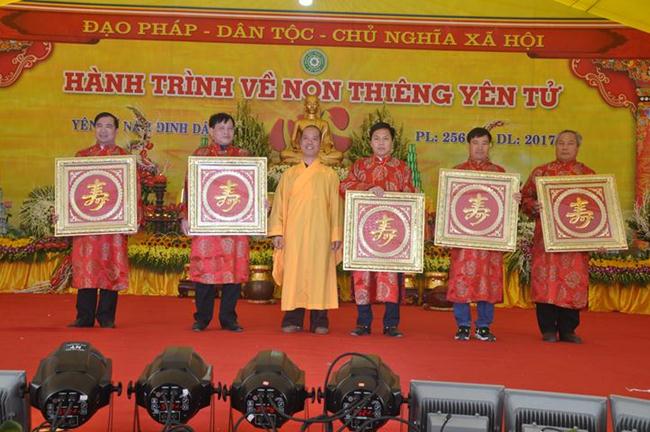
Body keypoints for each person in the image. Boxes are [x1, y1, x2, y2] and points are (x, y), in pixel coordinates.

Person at [339, 121, 415, 337]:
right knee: (362, 276)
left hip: (392, 234)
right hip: (364, 233)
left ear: (392, 142)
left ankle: (391, 324)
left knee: (392, 276)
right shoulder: (360, 166)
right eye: (377, 139)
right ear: (370, 142)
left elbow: (411, 195)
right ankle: (363, 322)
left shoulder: (402, 168)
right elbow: (344, 186)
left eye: (386, 139)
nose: (381, 143)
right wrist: (368, 188)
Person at [521, 129, 594, 344]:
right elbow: (525, 197)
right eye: (561, 143)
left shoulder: (588, 175)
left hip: (574, 239)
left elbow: (597, 207)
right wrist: (532, 206)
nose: (564, 147)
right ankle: (547, 329)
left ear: (577, 147)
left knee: (573, 282)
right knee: (545, 281)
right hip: (546, 238)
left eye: (570, 143)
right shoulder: (541, 172)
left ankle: (568, 329)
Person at [447, 127, 519, 342]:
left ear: (490, 146)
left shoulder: (500, 174)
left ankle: (484, 326)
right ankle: (462, 325)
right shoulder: (456, 173)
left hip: (489, 239)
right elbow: (448, 206)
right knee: (461, 279)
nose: (480, 147)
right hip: (464, 238)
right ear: (468, 145)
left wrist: (513, 200)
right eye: (475, 143)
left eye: (484, 143)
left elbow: (505, 208)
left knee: (488, 280)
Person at [269, 125, 342, 334]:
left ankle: (320, 319)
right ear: (299, 143)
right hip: (294, 233)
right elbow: (279, 205)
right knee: (295, 272)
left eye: (315, 139)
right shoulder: (289, 174)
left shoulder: (329, 175)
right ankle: (293, 318)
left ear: (321, 143)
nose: (310, 143)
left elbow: (336, 207)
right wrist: (277, 232)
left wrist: (336, 234)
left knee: (320, 273)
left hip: (321, 233)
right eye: (306, 139)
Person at [183, 113, 249, 332]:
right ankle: (202, 318)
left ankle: (229, 318)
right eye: (221, 128)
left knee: (233, 269)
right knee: (205, 268)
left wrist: (259, 204)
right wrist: (186, 216)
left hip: (235, 222)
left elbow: (250, 187)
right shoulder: (200, 155)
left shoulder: (243, 156)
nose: (226, 133)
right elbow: (189, 188)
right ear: (211, 131)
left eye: (230, 128)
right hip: (207, 223)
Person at [68, 112, 132, 328]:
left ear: (116, 130)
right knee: (86, 267)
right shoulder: (82, 156)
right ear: (94, 128)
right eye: (100, 125)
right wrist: (65, 214)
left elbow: (133, 190)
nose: (104, 130)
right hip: (87, 223)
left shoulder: (124, 158)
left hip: (114, 223)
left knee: (111, 267)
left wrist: (133, 219)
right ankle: (84, 316)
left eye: (109, 126)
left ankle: (106, 317)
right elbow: (72, 190)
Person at [280, 94, 343, 166]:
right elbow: (293, 140)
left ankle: (306, 161)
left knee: (339, 155)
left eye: (314, 104)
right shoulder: (299, 122)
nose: (312, 106)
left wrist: (327, 147)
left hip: (319, 151)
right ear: (305, 106)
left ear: (318, 106)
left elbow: (327, 140)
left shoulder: (324, 123)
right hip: (303, 151)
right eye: (309, 104)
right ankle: (319, 161)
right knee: (283, 154)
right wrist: (295, 145)